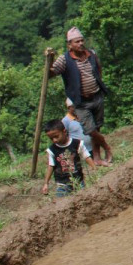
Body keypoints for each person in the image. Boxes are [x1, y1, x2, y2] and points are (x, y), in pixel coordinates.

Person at [48, 27, 112, 165]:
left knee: (97, 127)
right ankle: (106, 146)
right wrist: (50, 59)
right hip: (80, 102)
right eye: (77, 42)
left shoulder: (91, 54)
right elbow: (50, 74)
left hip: (96, 96)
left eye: (82, 40)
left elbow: (98, 69)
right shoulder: (64, 60)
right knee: (90, 130)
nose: (81, 43)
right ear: (69, 45)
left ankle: (97, 158)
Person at [40, 118, 97, 197]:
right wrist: (46, 183)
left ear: (64, 131)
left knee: (83, 198)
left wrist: (95, 170)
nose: (54, 140)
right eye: (51, 138)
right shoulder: (52, 150)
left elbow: (87, 157)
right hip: (62, 184)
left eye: (56, 136)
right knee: (61, 203)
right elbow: (51, 166)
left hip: (79, 181)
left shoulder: (77, 144)